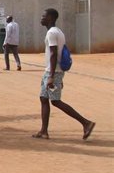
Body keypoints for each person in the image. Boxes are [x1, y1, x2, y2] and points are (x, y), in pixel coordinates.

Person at [33, 8, 96, 140]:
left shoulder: (52, 33)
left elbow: (54, 53)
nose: (41, 18)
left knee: (55, 101)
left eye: (44, 16)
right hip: (53, 71)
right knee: (43, 98)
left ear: (50, 18)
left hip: (53, 72)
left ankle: (86, 123)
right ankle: (44, 131)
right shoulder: (58, 32)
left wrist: (52, 76)